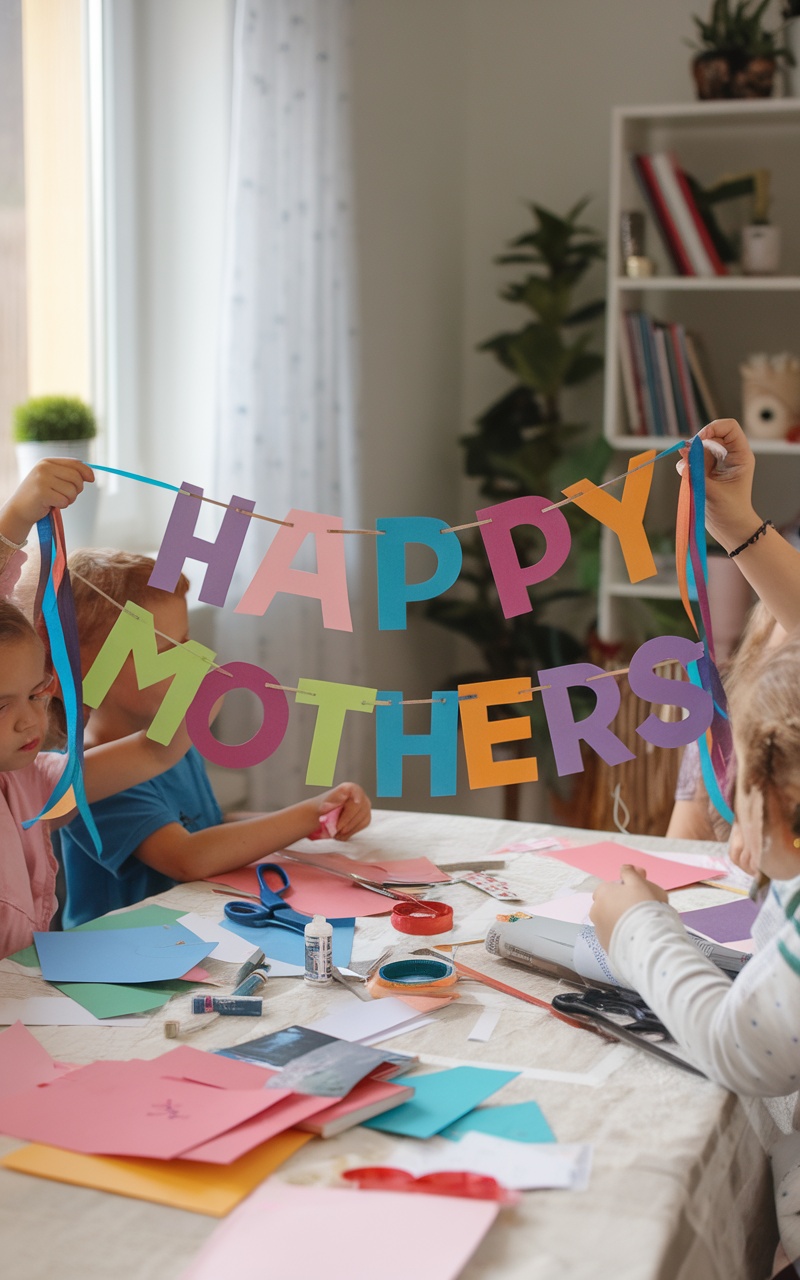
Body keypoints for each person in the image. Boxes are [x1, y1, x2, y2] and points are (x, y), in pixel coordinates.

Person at [59, 549, 372, 927]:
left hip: (191, 932)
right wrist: (306, 816)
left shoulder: (166, 739)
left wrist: (320, 814)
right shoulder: (93, 774)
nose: (194, 659)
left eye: (188, 639)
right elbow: (187, 856)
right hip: (115, 961)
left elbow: (204, 825)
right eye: (165, 651)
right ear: (88, 670)